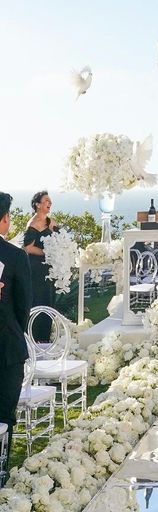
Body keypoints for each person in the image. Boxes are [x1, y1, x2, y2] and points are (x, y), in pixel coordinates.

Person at [0, 191, 32, 474]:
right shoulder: (15, 256)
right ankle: (2, 470)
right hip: (7, 349)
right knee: (4, 414)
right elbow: (24, 307)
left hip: (7, 347)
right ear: (5, 220)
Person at [22, 190, 57, 341]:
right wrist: (46, 252)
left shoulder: (51, 222)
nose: (50, 203)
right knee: (38, 301)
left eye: (50, 201)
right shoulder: (33, 223)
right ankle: (35, 339)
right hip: (36, 269)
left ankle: (45, 339)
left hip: (49, 269)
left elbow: (60, 240)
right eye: (46, 201)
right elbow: (28, 247)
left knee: (49, 301)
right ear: (37, 204)